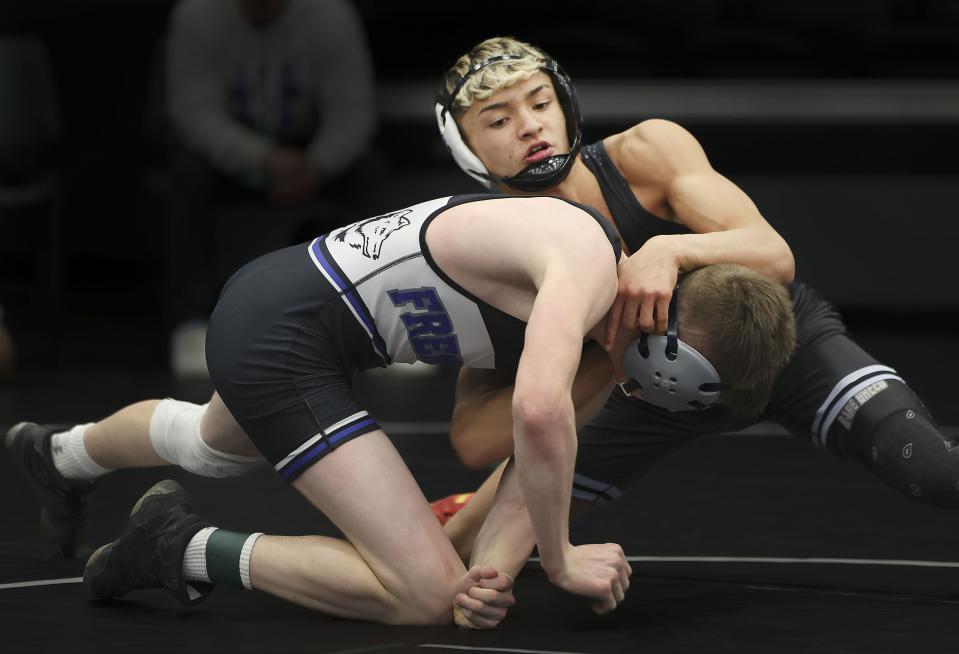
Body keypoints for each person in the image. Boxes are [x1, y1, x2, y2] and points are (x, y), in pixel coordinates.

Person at [8, 193, 681, 628]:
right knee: (422, 595)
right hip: (290, 334)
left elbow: (530, 459)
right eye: (652, 379)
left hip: (284, 297)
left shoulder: (599, 344)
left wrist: (493, 576)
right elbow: (535, 415)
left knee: (209, 447)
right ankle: (181, 547)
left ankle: (60, 453)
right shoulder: (585, 269)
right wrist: (559, 560)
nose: (638, 387)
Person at [430, 38, 952, 559]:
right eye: (497, 121)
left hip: (778, 349)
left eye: (541, 103)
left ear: (565, 105)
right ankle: (473, 505)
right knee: (459, 555)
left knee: (936, 473)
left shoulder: (643, 156)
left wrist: (671, 249)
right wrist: (612, 355)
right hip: (638, 400)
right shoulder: (483, 252)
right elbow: (473, 439)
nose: (529, 126)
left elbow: (774, 254)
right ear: (465, 149)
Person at [164, 0, 378, 377]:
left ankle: (376, 318)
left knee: (370, 170)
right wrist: (262, 159)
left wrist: (316, 163)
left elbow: (353, 112)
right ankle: (192, 322)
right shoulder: (197, 14)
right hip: (232, 151)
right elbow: (193, 112)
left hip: (308, 148)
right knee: (185, 173)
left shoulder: (330, 14)